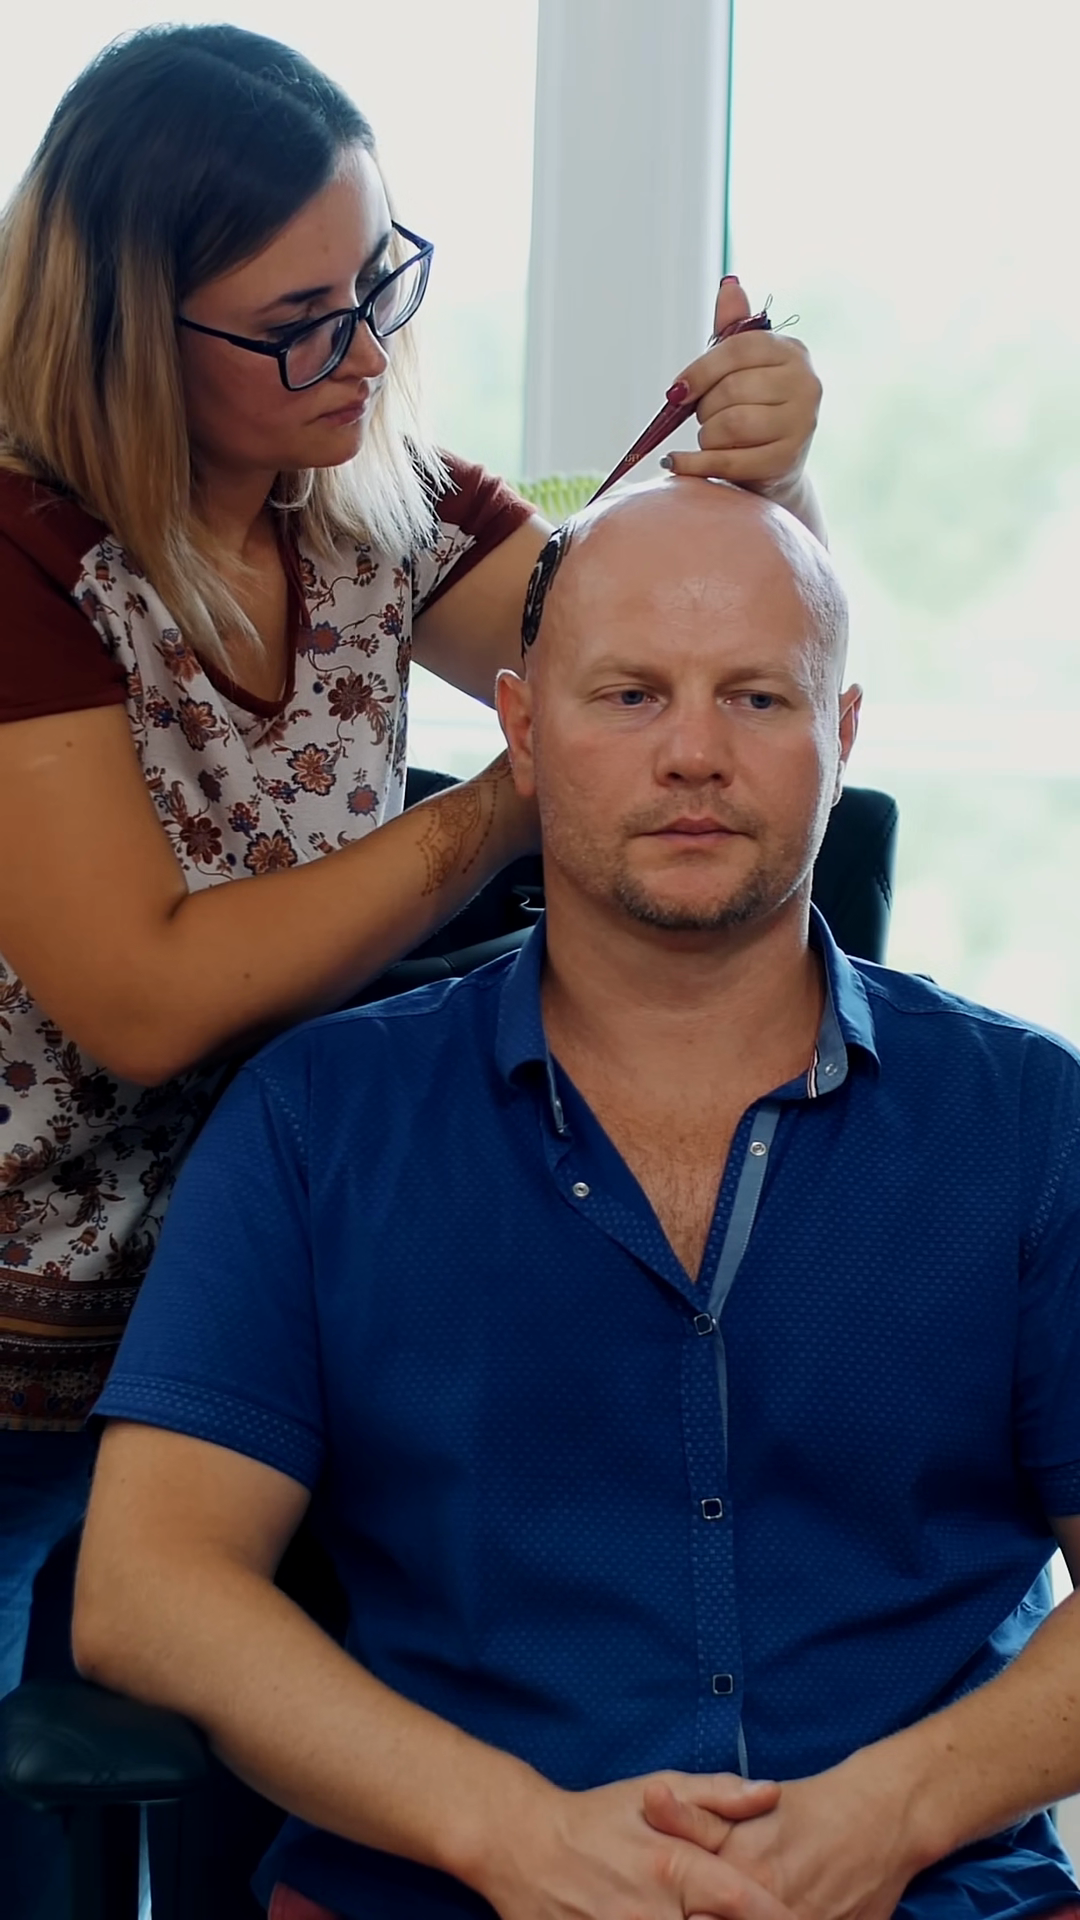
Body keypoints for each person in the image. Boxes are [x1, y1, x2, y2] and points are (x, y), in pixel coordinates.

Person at [0, 12, 824, 1853]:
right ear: (130, 331)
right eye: (300, 321)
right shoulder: (27, 557)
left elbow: (679, 653)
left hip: (263, 1324)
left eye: (377, 279)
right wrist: (516, 788)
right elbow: (143, 996)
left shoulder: (377, 495)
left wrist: (770, 481)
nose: (366, 351)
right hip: (19, 1340)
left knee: (274, 1798)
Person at [75, 475, 1080, 1920]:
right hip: (441, 1886)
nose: (694, 755)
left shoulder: (1032, 1120)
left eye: (758, 699)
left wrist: (891, 1816)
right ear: (523, 729)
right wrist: (514, 1837)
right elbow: (148, 1589)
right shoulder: (313, 1120)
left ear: (842, 733)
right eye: (629, 696)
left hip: (927, 1890)